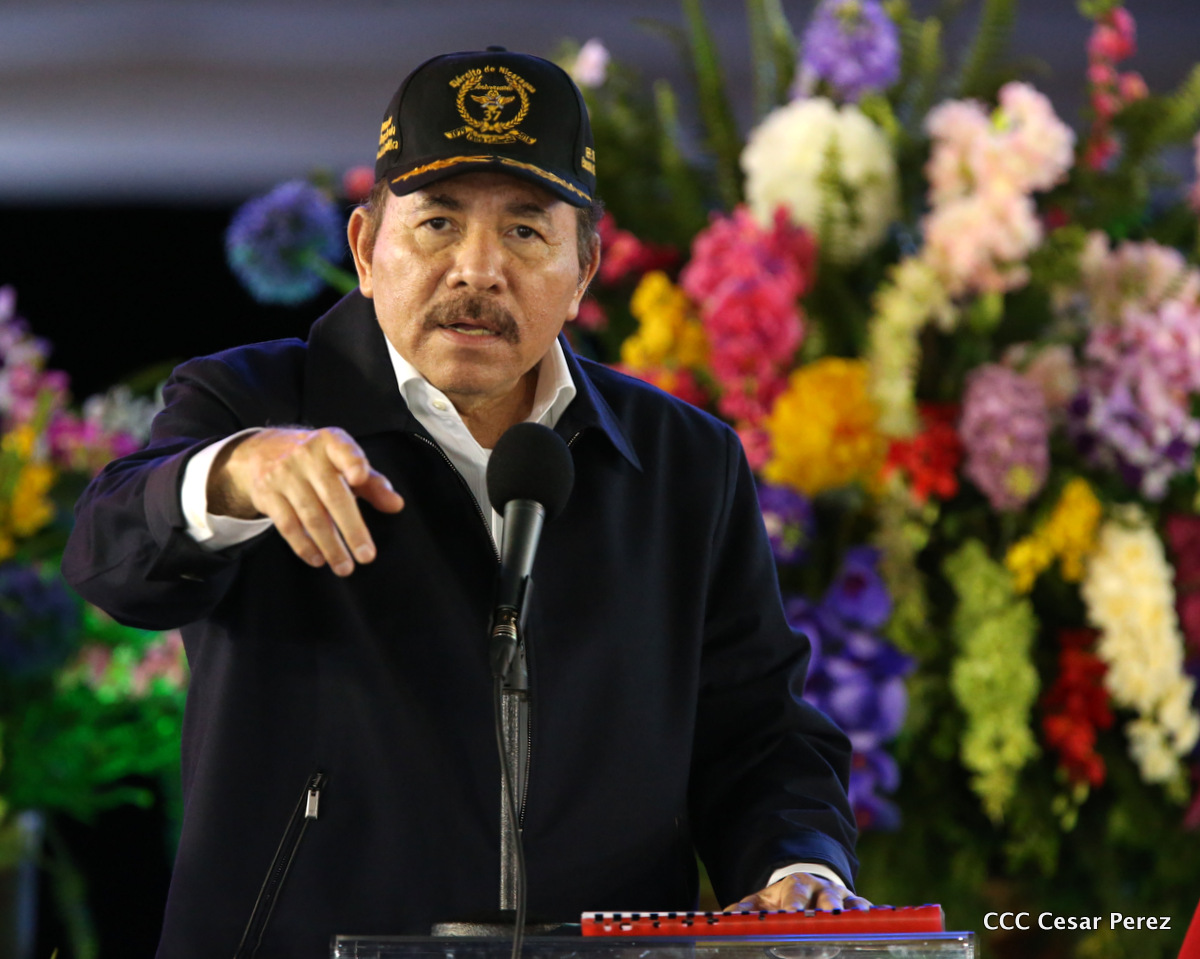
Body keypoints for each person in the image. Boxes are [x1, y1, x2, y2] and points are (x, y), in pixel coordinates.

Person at [63, 47, 866, 959]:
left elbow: (758, 732)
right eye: (438, 223)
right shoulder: (252, 403)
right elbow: (109, 555)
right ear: (365, 250)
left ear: (584, 269)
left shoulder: (686, 462)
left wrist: (800, 865)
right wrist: (236, 473)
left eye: (525, 231)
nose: (477, 270)